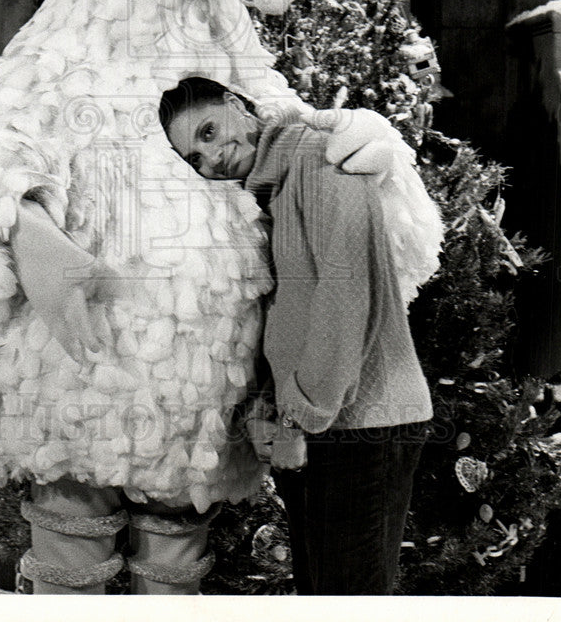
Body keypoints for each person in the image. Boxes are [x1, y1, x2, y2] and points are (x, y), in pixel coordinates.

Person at [159, 76, 435, 596]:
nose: (212, 157)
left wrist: (298, 418)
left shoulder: (317, 161)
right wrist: (271, 405)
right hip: (331, 427)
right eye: (195, 156)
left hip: (361, 426)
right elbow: (295, 313)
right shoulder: (277, 187)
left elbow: (345, 295)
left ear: (238, 105)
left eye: (211, 131)